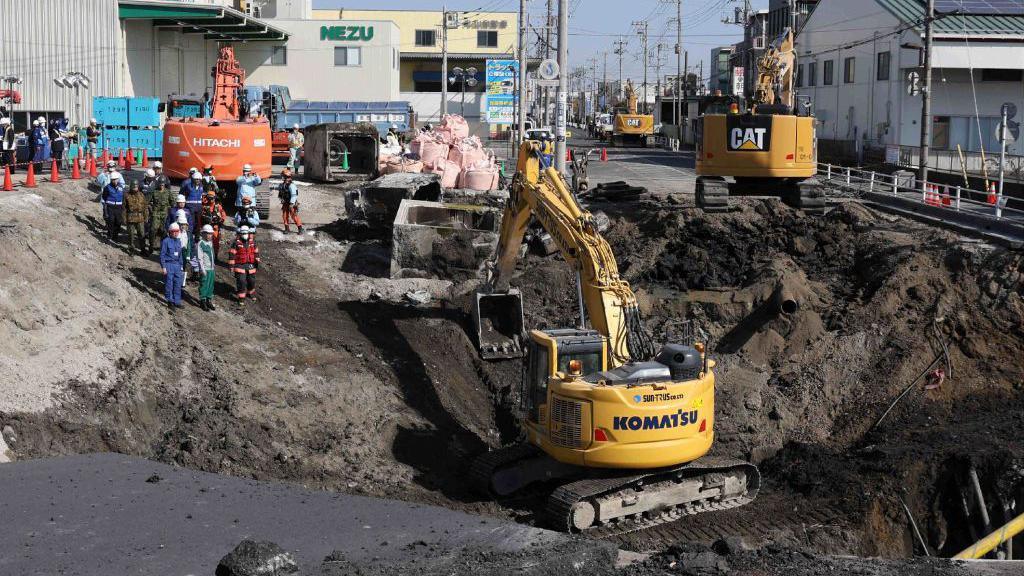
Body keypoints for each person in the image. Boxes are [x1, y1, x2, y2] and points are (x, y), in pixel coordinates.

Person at [227, 225, 260, 305]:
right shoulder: (236, 243)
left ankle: (250, 292)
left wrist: (257, 260)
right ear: (240, 234)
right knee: (241, 281)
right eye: (243, 233)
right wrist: (231, 266)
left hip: (250, 265)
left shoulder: (253, 242)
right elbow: (232, 254)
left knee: (251, 281)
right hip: (240, 265)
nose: (245, 235)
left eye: (246, 233)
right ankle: (241, 298)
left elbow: (256, 252)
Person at [160, 223, 185, 309]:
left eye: (177, 231)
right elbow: (162, 255)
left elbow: (180, 255)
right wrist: (163, 267)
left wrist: (181, 266)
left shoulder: (179, 241)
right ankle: (170, 301)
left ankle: (177, 301)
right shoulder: (165, 241)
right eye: (173, 231)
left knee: (178, 283)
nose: (175, 233)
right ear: (170, 232)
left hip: (177, 265)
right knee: (169, 284)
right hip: (169, 264)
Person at [149, 177, 176, 253]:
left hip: (165, 214)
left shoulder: (168, 192)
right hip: (155, 213)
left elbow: (173, 203)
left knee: (164, 231)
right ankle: (151, 245)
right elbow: (148, 202)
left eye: (163, 184)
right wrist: (151, 209)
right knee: (153, 229)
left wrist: (170, 210)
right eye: (160, 184)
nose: (161, 186)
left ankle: (163, 247)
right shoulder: (154, 192)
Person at [124, 179, 150, 256]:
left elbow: (145, 207)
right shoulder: (126, 195)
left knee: (142, 235)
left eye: (136, 186)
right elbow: (124, 208)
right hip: (130, 218)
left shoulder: (141, 195)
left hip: (140, 218)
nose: (135, 188)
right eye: (134, 186)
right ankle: (131, 250)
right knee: (131, 235)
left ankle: (143, 250)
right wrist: (124, 219)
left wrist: (146, 217)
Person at [199, 190, 228, 258]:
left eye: (212, 198)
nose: (210, 200)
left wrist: (220, 221)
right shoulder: (204, 207)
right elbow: (200, 217)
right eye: (209, 198)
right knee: (205, 242)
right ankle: (205, 256)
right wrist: (200, 227)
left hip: (215, 227)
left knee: (215, 242)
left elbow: (223, 215)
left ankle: (215, 256)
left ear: (214, 198)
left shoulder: (218, 206)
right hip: (206, 227)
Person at [196, 225, 217, 311]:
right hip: (205, 268)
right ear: (203, 234)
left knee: (210, 285)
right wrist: (202, 269)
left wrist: (213, 264)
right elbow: (200, 258)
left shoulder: (210, 243)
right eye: (207, 234)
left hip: (211, 268)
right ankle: (203, 301)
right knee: (204, 284)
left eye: (211, 234)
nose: (209, 236)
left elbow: (212, 254)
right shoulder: (201, 244)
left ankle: (209, 299)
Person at [102, 171, 126, 241]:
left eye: (116, 179)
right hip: (110, 207)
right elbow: (104, 197)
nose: (115, 181)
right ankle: (109, 236)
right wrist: (106, 209)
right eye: (113, 179)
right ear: (111, 180)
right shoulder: (107, 187)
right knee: (111, 221)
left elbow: (123, 197)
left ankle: (115, 236)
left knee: (118, 222)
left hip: (119, 207)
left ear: (118, 179)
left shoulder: (121, 187)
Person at [180, 171, 205, 235]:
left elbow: (203, 195)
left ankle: (197, 236)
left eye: (199, 179)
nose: (198, 181)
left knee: (199, 222)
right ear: (193, 179)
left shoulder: (202, 186)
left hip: (199, 206)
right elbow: (182, 194)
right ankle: (190, 235)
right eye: (196, 179)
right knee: (191, 221)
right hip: (190, 206)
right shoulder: (188, 186)